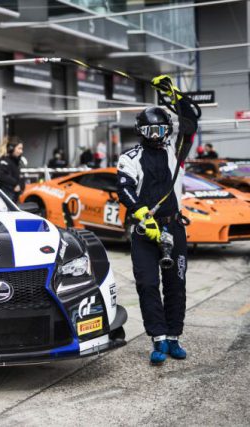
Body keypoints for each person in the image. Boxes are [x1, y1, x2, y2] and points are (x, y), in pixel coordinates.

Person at [116, 75, 199, 366]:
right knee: (148, 284)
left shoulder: (175, 151)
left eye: (161, 129)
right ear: (141, 131)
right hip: (143, 231)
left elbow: (191, 121)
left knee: (176, 283)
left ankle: (174, 336)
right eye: (150, 129)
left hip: (173, 227)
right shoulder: (130, 157)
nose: (156, 135)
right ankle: (158, 338)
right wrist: (140, 214)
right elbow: (124, 187)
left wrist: (173, 94)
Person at [0, 137, 25, 203]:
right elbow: (0, 175)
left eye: (21, 149)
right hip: (6, 197)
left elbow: (19, 178)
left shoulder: (16, 162)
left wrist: (20, 185)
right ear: (11, 148)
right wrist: (15, 184)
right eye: (19, 148)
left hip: (15, 198)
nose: (21, 151)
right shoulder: (5, 160)